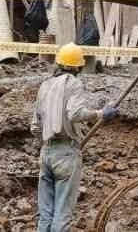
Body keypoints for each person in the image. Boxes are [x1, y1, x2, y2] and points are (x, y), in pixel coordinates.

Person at [31, 43, 118, 232]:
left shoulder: (45, 85)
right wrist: (101, 113)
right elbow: (75, 113)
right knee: (62, 214)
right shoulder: (73, 83)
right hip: (66, 154)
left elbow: (35, 126)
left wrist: (47, 146)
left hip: (46, 152)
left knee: (45, 214)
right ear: (78, 66)